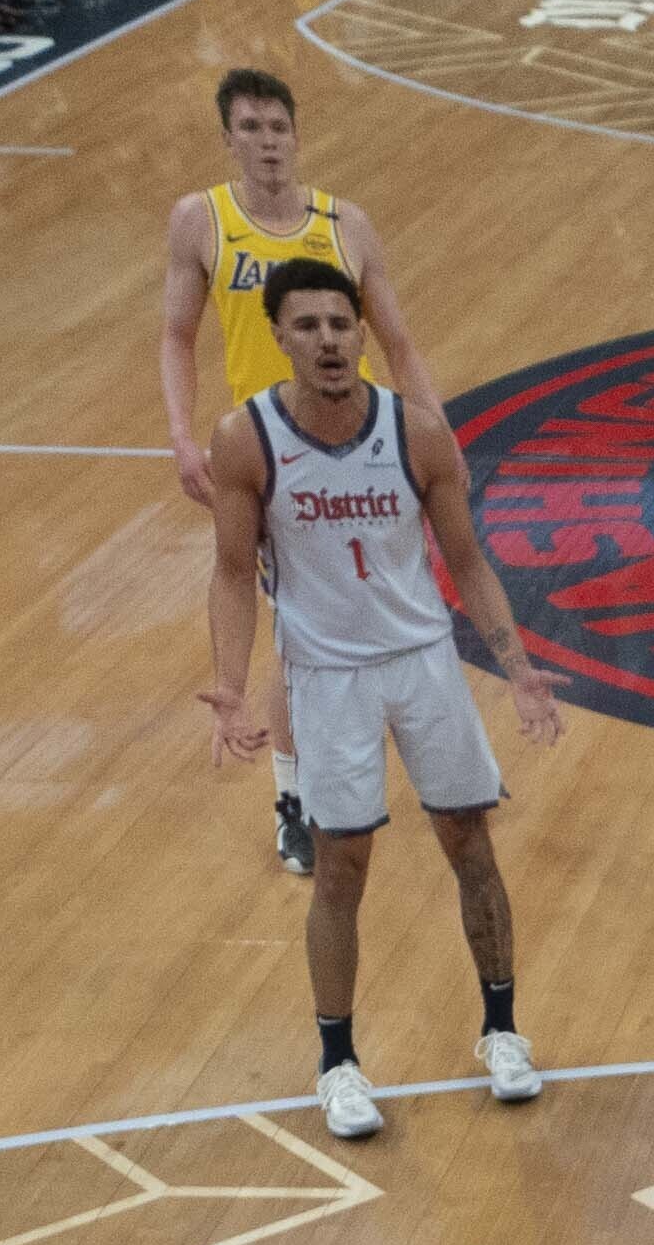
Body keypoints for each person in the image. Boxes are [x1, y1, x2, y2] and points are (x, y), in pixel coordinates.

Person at [187, 259, 565, 1142]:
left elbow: (467, 562)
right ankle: (338, 1064)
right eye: (309, 325)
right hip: (326, 677)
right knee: (340, 865)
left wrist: (517, 664)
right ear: (276, 337)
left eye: (341, 324)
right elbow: (233, 572)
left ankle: (503, 1032)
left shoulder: (418, 433)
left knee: (471, 843)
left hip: (424, 661)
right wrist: (233, 692)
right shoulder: (244, 439)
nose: (329, 339)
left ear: (361, 333)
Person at [166, 70, 439, 886]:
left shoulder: (345, 224)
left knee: (385, 616)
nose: (268, 141)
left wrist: (433, 435)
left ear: (297, 133)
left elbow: (399, 341)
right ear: (229, 138)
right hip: (266, 459)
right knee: (296, 642)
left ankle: (390, 760)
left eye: (278, 125)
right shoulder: (200, 221)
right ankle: (295, 800)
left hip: (362, 450)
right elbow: (176, 337)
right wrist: (184, 438)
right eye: (250, 127)